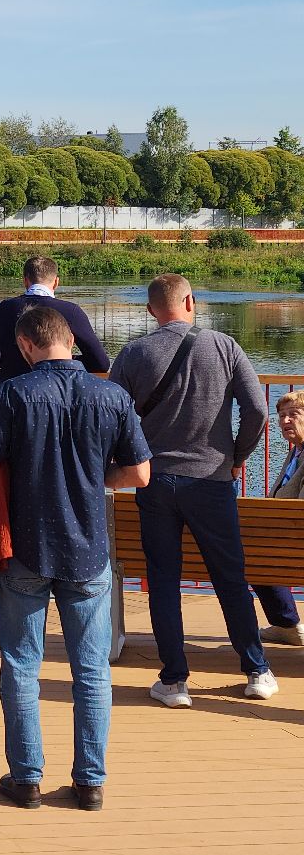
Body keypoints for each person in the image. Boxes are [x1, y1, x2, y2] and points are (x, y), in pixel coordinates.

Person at [0, 305, 151, 812]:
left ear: (26, 346)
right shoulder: (111, 395)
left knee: (20, 665)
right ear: (71, 341)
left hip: (25, 550)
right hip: (89, 551)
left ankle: (26, 777)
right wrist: (99, 480)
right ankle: (90, 782)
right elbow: (140, 474)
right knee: (92, 670)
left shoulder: (12, 394)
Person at [109, 274, 276, 706]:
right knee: (230, 579)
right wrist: (237, 455)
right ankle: (257, 670)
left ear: (150, 311)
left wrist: (127, 462)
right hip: (212, 480)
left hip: (155, 481)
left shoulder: (134, 352)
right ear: (191, 301)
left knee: (163, 581)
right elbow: (257, 409)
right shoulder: (223, 346)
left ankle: (174, 681)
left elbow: (110, 415)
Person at [0, 256, 109, 384]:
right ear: (56, 282)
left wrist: (12, 359)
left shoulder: (4, 309)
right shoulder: (71, 311)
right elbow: (100, 363)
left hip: (11, 392)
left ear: (25, 281)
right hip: (58, 391)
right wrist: (64, 360)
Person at [255, 391, 304, 645]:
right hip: (285, 536)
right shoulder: (296, 452)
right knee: (254, 550)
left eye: (293, 415)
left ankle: (286, 623)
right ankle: (285, 623)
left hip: (294, 540)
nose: (285, 421)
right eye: (281, 415)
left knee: (253, 554)